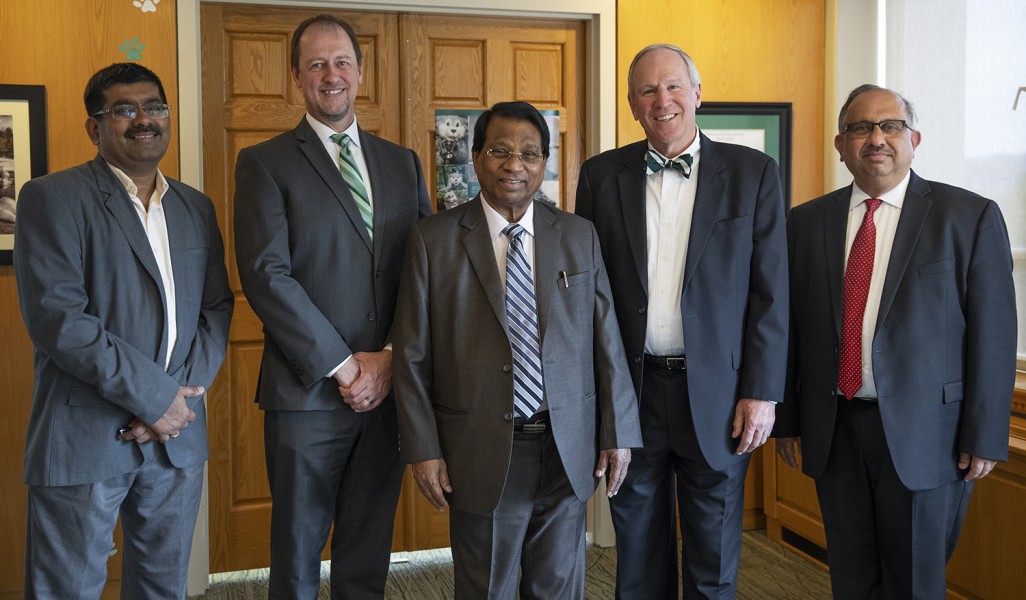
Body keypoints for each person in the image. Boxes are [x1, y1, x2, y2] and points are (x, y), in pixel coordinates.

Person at [773, 84, 1017, 599]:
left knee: (913, 584)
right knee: (851, 577)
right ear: (841, 145)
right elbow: (792, 331)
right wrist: (790, 420)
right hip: (835, 430)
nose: (875, 138)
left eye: (890, 127)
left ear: (914, 139)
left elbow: (994, 335)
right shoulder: (806, 221)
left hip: (931, 437)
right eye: (860, 128)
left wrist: (986, 432)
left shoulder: (967, 216)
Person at [392, 101, 643, 599]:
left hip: (566, 444)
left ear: (544, 163)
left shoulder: (576, 234)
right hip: (479, 449)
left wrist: (619, 431)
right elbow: (412, 354)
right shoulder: (433, 240)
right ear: (477, 157)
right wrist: (423, 448)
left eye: (530, 153)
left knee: (558, 588)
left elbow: (605, 338)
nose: (515, 165)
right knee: (488, 589)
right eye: (500, 151)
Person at [575, 44, 789, 599]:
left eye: (673, 87)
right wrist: (598, 396)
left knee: (712, 559)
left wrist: (761, 392)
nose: (662, 100)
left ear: (698, 94)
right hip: (633, 397)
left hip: (720, 398)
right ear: (631, 104)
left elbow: (771, 293)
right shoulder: (600, 177)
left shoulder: (754, 173)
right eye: (647, 91)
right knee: (638, 559)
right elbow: (588, 298)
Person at [14, 62, 234, 599]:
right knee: (67, 588)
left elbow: (216, 308)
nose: (144, 120)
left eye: (155, 107)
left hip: (176, 439)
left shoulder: (195, 207)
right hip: (86, 435)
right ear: (95, 127)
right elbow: (59, 320)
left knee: (163, 588)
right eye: (124, 109)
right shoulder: (51, 198)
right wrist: (156, 399)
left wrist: (178, 403)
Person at [233, 13, 432, 599]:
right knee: (296, 553)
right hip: (308, 395)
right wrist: (348, 367)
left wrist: (391, 357)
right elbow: (267, 278)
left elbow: (423, 273)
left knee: (367, 553)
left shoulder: (402, 163)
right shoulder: (264, 162)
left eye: (342, 61)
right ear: (296, 76)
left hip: (387, 395)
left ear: (360, 72)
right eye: (316, 64)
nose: (331, 74)